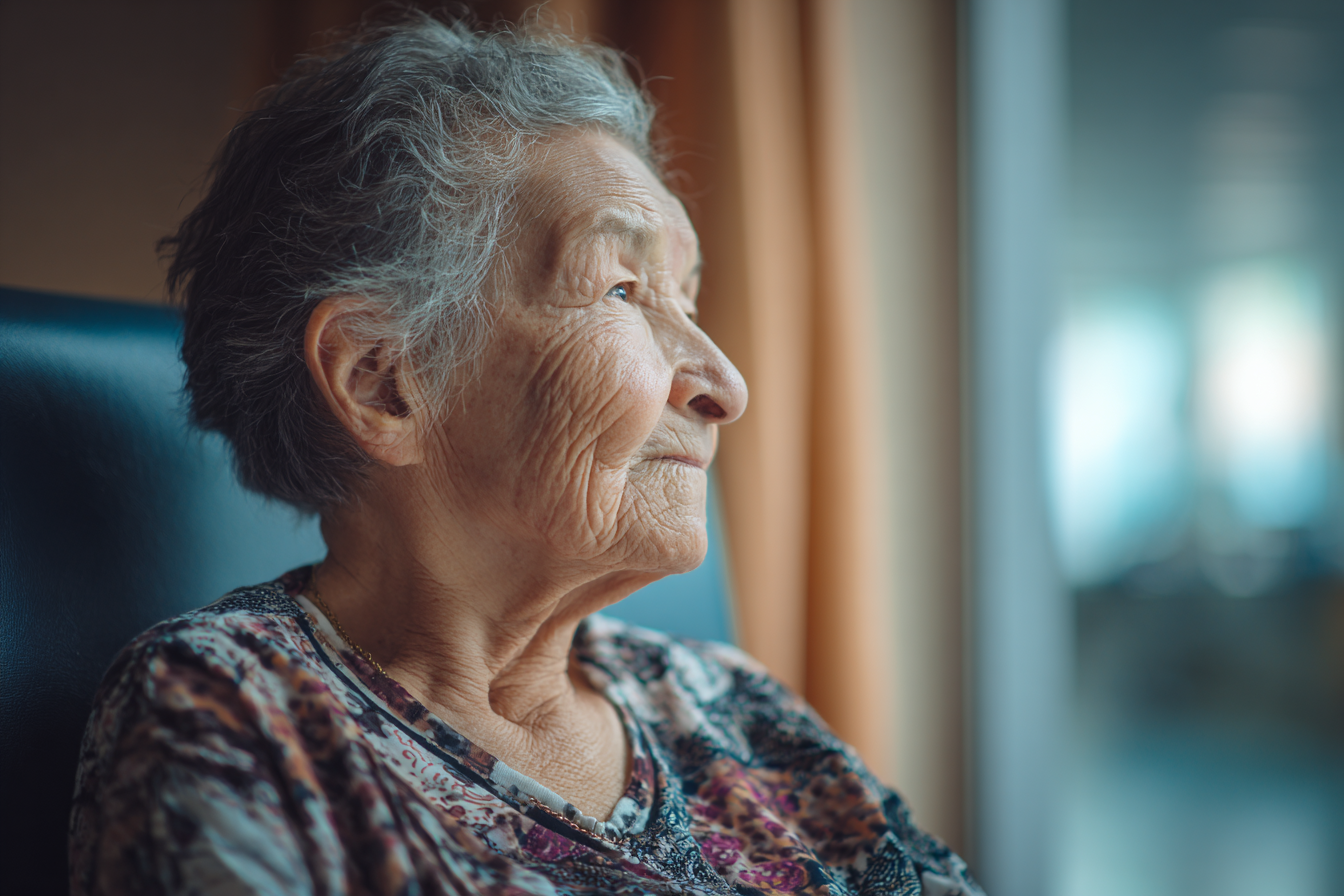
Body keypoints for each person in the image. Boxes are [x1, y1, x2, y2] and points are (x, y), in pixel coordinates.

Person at [69, 13, 983, 896]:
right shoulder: (234, 714)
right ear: (384, 382)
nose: (724, 385)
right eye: (623, 289)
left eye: (687, 297)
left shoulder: (727, 702)